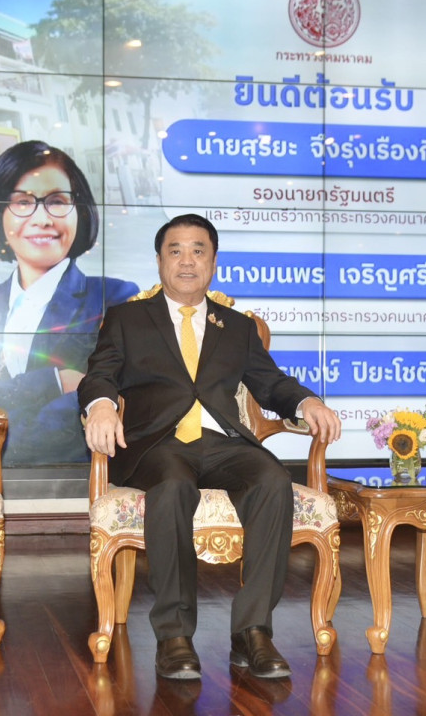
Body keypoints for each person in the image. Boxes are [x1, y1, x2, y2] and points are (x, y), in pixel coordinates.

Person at [79, 214, 342, 680]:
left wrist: (307, 401)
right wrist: (101, 405)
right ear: (159, 261)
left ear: (214, 262)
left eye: (198, 251)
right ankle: (174, 636)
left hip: (221, 441)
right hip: (156, 443)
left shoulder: (236, 327)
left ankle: (252, 632)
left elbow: (270, 382)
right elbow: (100, 373)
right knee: (173, 485)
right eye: (175, 250)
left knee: (272, 480)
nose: (187, 261)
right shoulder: (127, 319)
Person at [0, 141, 138, 464]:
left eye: (57, 202)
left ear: (80, 212)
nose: (42, 219)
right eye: (23, 202)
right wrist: (55, 381)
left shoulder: (113, 299)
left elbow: (93, 407)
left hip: (72, 474)